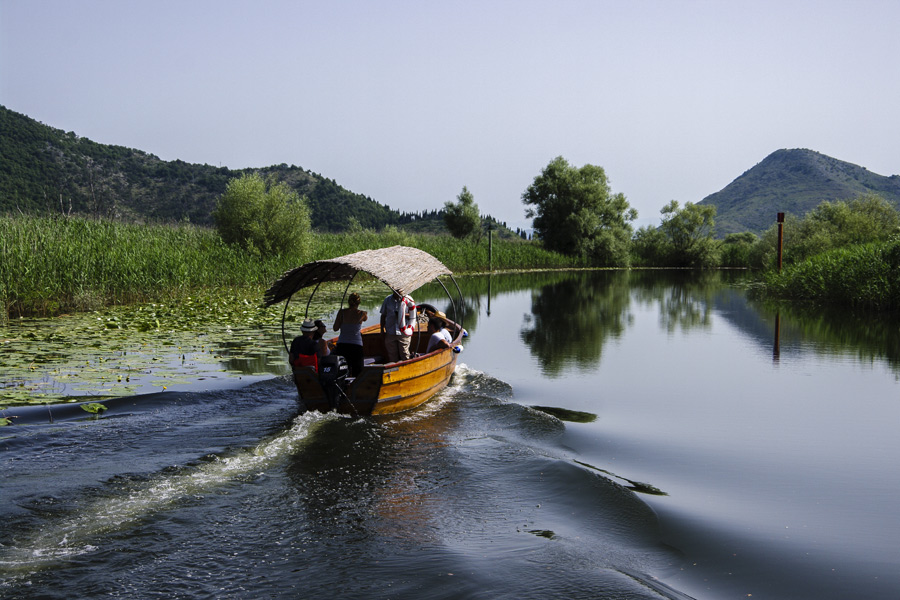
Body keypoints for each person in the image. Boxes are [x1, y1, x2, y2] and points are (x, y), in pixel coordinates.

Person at [333, 292, 368, 376]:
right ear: (359, 303)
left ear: (348, 302)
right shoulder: (362, 314)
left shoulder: (341, 313)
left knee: (343, 369)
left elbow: (335, 328)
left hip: (342, 344)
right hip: (356, 345)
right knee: (357, 371)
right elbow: (365, 319)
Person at [380, 290, 416, 363]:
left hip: (403, 333)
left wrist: (401, 315)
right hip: (390, 331)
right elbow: (383, 315)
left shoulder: (408, 299)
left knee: (405, 354)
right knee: (392, 355)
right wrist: (382, 329)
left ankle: (407, 372)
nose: (398, 291)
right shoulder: (387, 300)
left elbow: (413, 316)